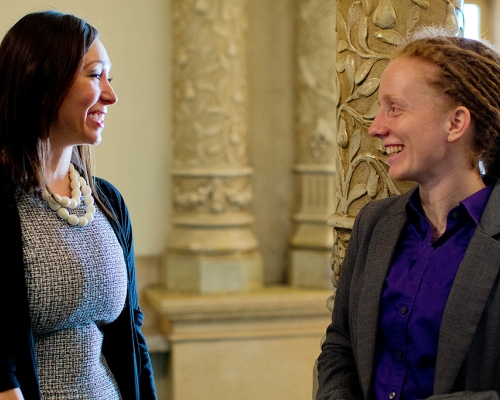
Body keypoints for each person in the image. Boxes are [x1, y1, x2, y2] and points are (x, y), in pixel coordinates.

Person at [317, 27, 500, 400]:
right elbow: (340, 346)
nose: (376, 128)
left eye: (394, 108)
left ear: (456, 123)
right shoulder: (374, 223)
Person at [0, 11, 157, 400]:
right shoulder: (5, 202)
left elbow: (133, 340)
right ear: (42, 81)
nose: (110, 94)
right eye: (94, 75)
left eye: (110, 78)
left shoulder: (108, 202)